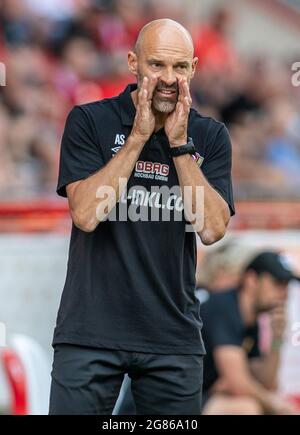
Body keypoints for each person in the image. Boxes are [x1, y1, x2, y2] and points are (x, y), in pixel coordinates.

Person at [49, 18, 234, 415]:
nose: (169, 78)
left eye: (180, 67)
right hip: (90, 331)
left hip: (172, 335)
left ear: (194, 68)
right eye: (157, 65)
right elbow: (85, 214)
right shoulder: (89, 121)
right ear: (133, 63)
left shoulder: (211, 136)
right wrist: (137, 138)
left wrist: (180, 146)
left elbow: (213, 228)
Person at [200, 251, 299, 415]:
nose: (285, 293)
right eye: (278, 283)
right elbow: (237, 383)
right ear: (251, 280)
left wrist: (277, 338)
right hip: (172, 399)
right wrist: (276, 405)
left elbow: (265, 382)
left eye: (287, 285)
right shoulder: (224, 306)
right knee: (247, 409)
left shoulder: (251, 321)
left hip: (200, 395)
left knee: (257, 403)